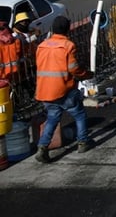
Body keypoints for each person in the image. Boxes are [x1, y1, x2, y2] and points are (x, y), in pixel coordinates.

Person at [34, 15, 95, 163]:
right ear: (67, 29)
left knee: (52, 119)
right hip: (63, 89)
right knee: (79, 114)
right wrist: (87, 74)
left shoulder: (41, 46)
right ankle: (83, 142)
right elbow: (73, 69)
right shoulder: (68, 46)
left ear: (53, 29)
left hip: (45, 90)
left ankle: (42, 147)